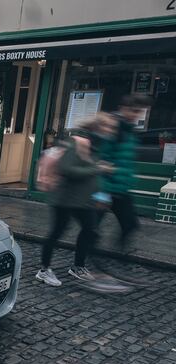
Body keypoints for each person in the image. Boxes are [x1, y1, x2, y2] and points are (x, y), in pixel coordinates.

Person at [36, 116, 115, 287]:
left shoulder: (95, 145)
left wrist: (101, 194)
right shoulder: (77, 142)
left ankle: (78, 267)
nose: (111, 131)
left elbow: (90, 172)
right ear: (98, 128)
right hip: (64, 198)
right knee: (57, 232)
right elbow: (67, 169)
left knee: (90, 229)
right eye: (108, 128)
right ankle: (44, 270)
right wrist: (97, 168)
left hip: (83, 200)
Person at [97, 94, 149, 252]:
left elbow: (125, 159)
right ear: (123, 109)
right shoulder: (113, 128)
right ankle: (84, 258)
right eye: (134, 111)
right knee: (91, 226)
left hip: (120, 188)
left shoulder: (129, 131)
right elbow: (102, 159)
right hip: (107, 187)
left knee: (130, 224)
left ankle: (116, 252)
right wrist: (102, 192)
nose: (136, 115)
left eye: (139, 111)